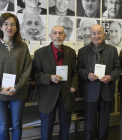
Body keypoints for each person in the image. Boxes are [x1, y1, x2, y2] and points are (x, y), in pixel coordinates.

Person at [31, 25, 78, 140]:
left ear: (65, 36)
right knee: (46, 129)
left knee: (65, 128)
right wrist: (49, 77)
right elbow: (35, 75)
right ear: (50, 36)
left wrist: (74, 85)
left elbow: (75, 73)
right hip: (47, 96)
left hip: (66, 94)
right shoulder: (40, 53)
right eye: (55, 33)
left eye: (60, 33)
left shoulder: (71, 52)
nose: (58, 36)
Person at [77, 24, 121, 140]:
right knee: (89, 123)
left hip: (106, 91)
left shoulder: (112, 50)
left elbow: (118, 69)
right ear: (89, 36)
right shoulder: (82, 51)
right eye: (94, 33)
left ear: (104, 34)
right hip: (90, 90)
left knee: (104, 122)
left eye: (99, 33)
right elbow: (79, 69)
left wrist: (110, 77)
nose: (97, 36)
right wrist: (87, 75)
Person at [0, 12, 32, 140]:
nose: (9, 27)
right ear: (0, 27)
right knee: (2, 126)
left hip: (18, 92)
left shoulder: (23, 47)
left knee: (17, 125)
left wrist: (16, 88)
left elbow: (27, 69)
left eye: (13, 24)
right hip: (0, 93)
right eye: (6, 24)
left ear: (17, 28)